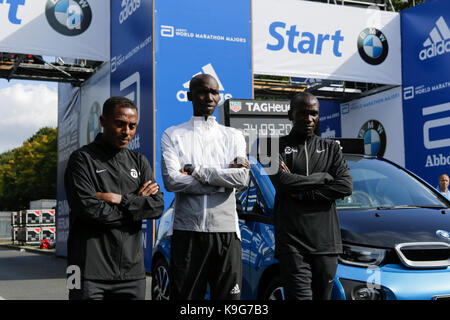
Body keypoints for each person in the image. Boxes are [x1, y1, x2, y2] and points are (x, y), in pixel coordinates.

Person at [65, 96, 164, 300]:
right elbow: (88, 210)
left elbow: (156, 207)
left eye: (132, 126)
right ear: (103, 121)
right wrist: (136, 206)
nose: (126, 132)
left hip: (132, 273)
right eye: (120, 124)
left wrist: (119, 199)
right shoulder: (81, 159)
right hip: (84, 272)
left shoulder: (139, 162)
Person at [161, 74, 249, 300]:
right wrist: (221, 183)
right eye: (203, 91)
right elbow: (172, 181)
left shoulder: (233, 136)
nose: (209, 97)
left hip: (227, 232)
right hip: (187, 232)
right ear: (190, 96)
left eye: (214, 92)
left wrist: (199, 171)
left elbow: (240, 179)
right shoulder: (172, 134)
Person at [269, 92, 353, 300]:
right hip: (292, 242)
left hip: (326, 242)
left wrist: (301, 194)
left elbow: (345, 185)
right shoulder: (270, 146)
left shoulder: (332, 148)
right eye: (303, 113)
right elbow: (281, 182)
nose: (309, 119)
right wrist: (323, 177)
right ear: (291, 114)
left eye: (314, 114)